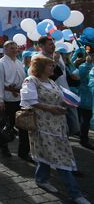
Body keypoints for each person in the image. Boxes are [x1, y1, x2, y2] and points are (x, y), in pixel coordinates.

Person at [20, 55, 90, 204]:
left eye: (52, 65)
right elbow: (29, 101)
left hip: (58, 125)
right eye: (50, 65)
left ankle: (41, 179)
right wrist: (51, 108)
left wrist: (67, 104)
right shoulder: (31, 81)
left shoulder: (52, 82)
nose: (53, 68)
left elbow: (60, 99)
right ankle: (75, 193)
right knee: (60, 158)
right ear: (40, 67)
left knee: (48, 154)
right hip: (42, 125)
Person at [0, 40, 29, 160]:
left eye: (16, 48)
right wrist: (0, 100)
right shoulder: (0, 64)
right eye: (12, 48)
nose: (15, 50)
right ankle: (3, 146)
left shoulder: (19, 62)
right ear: (5, 49)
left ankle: (23, 152)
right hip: (8, 99)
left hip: (20, 98)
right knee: (5, 125)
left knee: (24, 126)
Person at [76, 50, 93, 149]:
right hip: (85, 98)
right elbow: (79, 76)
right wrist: (88, 64)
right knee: (85, 120)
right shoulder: (83, 66)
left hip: (90, 98)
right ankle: (84, 140)